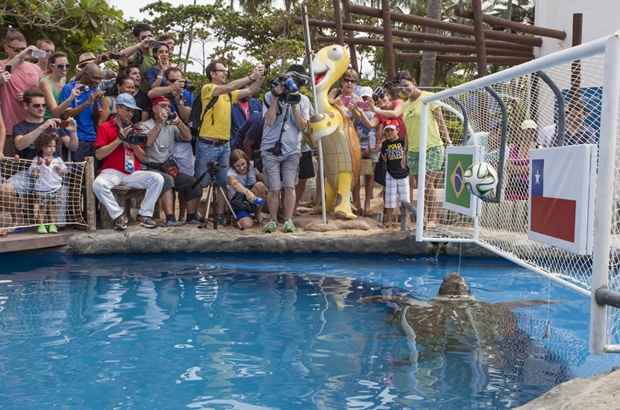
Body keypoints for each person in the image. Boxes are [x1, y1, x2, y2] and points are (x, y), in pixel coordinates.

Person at [194, 61, 265, 224]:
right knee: (200, 181)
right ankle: (193, 216)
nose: (225, 73)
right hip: (207, 144)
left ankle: (220, 216)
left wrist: (259, 78)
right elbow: (229, 87)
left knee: (223, 182)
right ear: (212, 74)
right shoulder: (208, 88)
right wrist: (250, 76)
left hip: (225, 145)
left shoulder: (228, 95)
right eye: (222, 71)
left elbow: (251, 90)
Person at [0, 88, 77, 226]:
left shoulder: (55, 123)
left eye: (43, 105)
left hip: (55, 176)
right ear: (25, 106)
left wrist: (73, 132)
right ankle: (18, 219)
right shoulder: (21, 127)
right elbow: (20, 144)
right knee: (4, 189)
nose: (41, 108)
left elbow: (73, 147)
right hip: (33, 175)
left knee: (59, 225)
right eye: (36, 105)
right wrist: (42, 127)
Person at [93, 93, 164, 230]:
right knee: (98, 184)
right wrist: (119, 140)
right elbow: (99, 154)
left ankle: (144, 215)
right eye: (127, 109)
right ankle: (118, 215)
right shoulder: (106, 127)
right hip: (112, 170)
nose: (130, 113)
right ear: (117, 108)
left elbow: (142, 157)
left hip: (132, 172)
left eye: (132, 110)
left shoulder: (136, 129)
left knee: (157, 178)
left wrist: (135, 145)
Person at [397, 70, 451, 230]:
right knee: (421, 186)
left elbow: (440, 121)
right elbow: (407, 130)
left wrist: (448, 141)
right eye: (400, 88)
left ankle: (432, 218)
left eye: (406, 86)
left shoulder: (429, 97)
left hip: (432, 147)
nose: (403, 90)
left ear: (413, 82)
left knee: (427, 185)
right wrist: (404, 153)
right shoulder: (405, 105)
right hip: (413, 151)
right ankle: (423, 218)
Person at [261, 64, 311, 234]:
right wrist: (275, 97)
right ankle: (273, 219)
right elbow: (268, 120)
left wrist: (294, 105)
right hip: (270, 148)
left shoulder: (303, 100)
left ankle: (288, 219)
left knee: (289, 186)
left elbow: (302, 126)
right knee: (274, 188)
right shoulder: (268, 96)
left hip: (292, 150)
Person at [140, 96, 202, 226]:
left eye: (168, 106)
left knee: (192, 182)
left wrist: (179, 123)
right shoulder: (144, 125)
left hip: (168, 167)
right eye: (163, 106)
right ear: (154, 108)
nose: (166, 109)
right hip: (151, 168)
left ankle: (191, 217)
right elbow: (148, 142)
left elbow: (188, 137)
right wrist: (160, 124)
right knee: (167, 180)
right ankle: (170, 218)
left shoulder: (171, 125)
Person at [0, 29, 44, 157]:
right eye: (17, 50)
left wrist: (28, 96)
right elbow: (6, 72)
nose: (22, 53)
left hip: (32, 129)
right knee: (9, 173)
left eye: (24, 49)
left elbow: (41, 95)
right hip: (8, 129)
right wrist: (20, 57)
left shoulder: (36, 68)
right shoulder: (2, 65)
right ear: (6, 48)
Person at [60, 63, 105, 162]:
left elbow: (97, 119)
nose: (97, 82)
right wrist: (87, 103)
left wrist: (96, 103)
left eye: (99, 79)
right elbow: (66, 115)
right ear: (85, 74)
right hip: (76, 139)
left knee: (91, 172)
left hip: (92, 138)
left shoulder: (95, 90)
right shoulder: (69, 88)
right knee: (77, 174)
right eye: (95, 78)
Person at [29, 133, 67, 234]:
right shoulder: (37, 160)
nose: (52, 148)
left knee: (53, 207)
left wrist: (59, 169)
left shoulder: (57, 159)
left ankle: (52, 225)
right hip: (42, 188)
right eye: (49, 146)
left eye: (54, 146)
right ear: (42, 146)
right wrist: (35, 172)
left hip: (55, 187)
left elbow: (64, 171)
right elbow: (32, 173)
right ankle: (41, 226)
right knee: (42, 207)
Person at [350, 86, 378, 216]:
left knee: (370, 175)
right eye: (364, 98)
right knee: (356, 175)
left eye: (368, 97)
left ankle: (367, 203)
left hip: (371, 147)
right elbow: (354, 127)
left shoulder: (376, 111)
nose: (366, 100)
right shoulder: (355, 111)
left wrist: (370, 148)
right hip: (358, 147)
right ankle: (356, 201)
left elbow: (378, 129)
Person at [227, 149, 268, 229]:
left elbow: (263, 179)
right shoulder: (231, 172)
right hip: (239, 202)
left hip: (252, 199)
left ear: (247, 161)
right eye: (237, 166)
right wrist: (246, 191)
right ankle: (236, 218)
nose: (242, 168)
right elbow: (235, 183)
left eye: (243, 164)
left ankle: (257, 213)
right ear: (233, 166)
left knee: (260, 185)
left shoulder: (253, 165)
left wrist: (269, 191)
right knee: (247, 225)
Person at [380, 120, 410, 228]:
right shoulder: (385, 144)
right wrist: (386, 162)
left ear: (397, 130)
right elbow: (383, 154)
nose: (389, 133)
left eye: (391, 130)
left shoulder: (403, 142)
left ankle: (406, 222)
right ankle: (388, 221)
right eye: (387, 131)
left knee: (404, 200)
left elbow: (407, 152)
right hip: (390, 173)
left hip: (403, 173)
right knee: (389, 199)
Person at [38, 51, 78, 120]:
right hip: (48, 121)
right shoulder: (45, 83)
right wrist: (70, 99)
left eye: (67, 66)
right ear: (52, 66)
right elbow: (55, 113)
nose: (64, 69)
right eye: (60, 66)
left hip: (61, 121)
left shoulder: (63, 79)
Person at [120, 23, 158, 93]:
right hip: (139, 96)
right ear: (137, 39)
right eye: (144, 38)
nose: (148, 39)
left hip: (156, 96)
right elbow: (121, 56)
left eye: (150, 36)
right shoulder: (136, 54)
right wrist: (140, 44)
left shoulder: (157, 53)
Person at [506, 119, 538, 201]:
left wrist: (516, 166)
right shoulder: (514, 148)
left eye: (532, 131)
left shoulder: (538, 148)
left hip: (531, 187)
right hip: (514, 187)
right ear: (521, 132)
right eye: (526, 131)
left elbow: (536, 169)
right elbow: (509, 168)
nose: (529, 134)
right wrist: (527, 168)